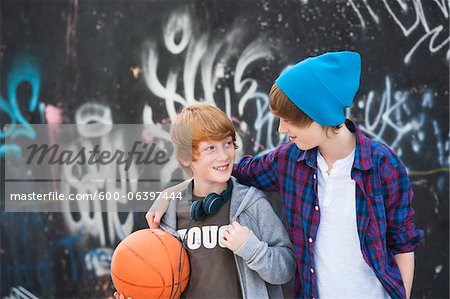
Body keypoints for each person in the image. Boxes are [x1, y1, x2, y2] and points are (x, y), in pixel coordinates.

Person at [147, 51, 424, 299]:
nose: (281, 129)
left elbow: (403, 244)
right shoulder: (290, 160)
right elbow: (229, 172)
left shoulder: (382, 165)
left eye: (288, 120)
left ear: (317, 115)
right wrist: (170, 194)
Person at [117, 104, 296, 299]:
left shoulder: (252, 203)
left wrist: (252, 249)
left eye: (227, 143)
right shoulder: (169, 213)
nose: (224, 156)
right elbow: (163, 281)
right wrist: (141, 292)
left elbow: (286, 269)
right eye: (210, 148)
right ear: (186, 157)